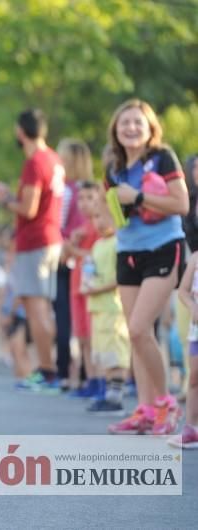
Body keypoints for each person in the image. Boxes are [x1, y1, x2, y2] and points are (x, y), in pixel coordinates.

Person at [104, 99, 188, 435]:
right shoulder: (113, 165)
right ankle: (144, 410)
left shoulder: (163, 156)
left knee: (140, 329)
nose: (131, 128)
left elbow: (181, 203)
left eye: (138, 122)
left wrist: (137, 197)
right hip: (128, 252)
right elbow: (116, 212)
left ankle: (166, 403)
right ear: (116, 129)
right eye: (124, 122)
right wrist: (112, 208)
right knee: (137, 336)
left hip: (163, 249)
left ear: (151, 127)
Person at [0, 109, 64, 392]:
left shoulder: (34, 162)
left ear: (21, 131)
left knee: (37, 308)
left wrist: (3, 198)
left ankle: (47, 371)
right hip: (50, 238)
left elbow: (28, 209)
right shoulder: (54, 159)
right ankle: (51, 368)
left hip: (36, 241)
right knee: (40, 307)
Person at [82, 197, 131, 415]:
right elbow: (91, 272)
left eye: (103, 216)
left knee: (115, 352)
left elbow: (120, 278)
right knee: (102, 352)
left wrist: (98, 289)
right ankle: (106, 393)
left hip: (113, 307)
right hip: (98, 308)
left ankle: (116, 398)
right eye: (95, 217)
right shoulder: (97, 244)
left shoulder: (118, 243)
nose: (99, 222)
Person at [53, 138, 93, 390]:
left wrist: (62, 246)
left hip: (67, 256)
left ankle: (64, 372)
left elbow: (56, 224)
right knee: (84, 318)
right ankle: (86, 374)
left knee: (64, 318)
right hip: (86, 257)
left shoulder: (66, 190)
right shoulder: (89, 189)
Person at [68, 181, 102, 399]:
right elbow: (67, 256)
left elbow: (95, 257)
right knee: (81, 337)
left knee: (94, 337)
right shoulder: (80, 229)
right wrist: (71, 244)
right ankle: (89, 379)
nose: (84, 203)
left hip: (94, 288)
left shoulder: (101, 226)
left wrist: (73, 248)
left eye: (90, 198)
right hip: (77, 286)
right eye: (80, 198)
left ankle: (100, 381)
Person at [171, 247, 198, 448]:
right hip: (196, 331)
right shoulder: (196, 257)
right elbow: (183, 291)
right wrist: (192, 306)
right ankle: (191, 428)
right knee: (195, 377)